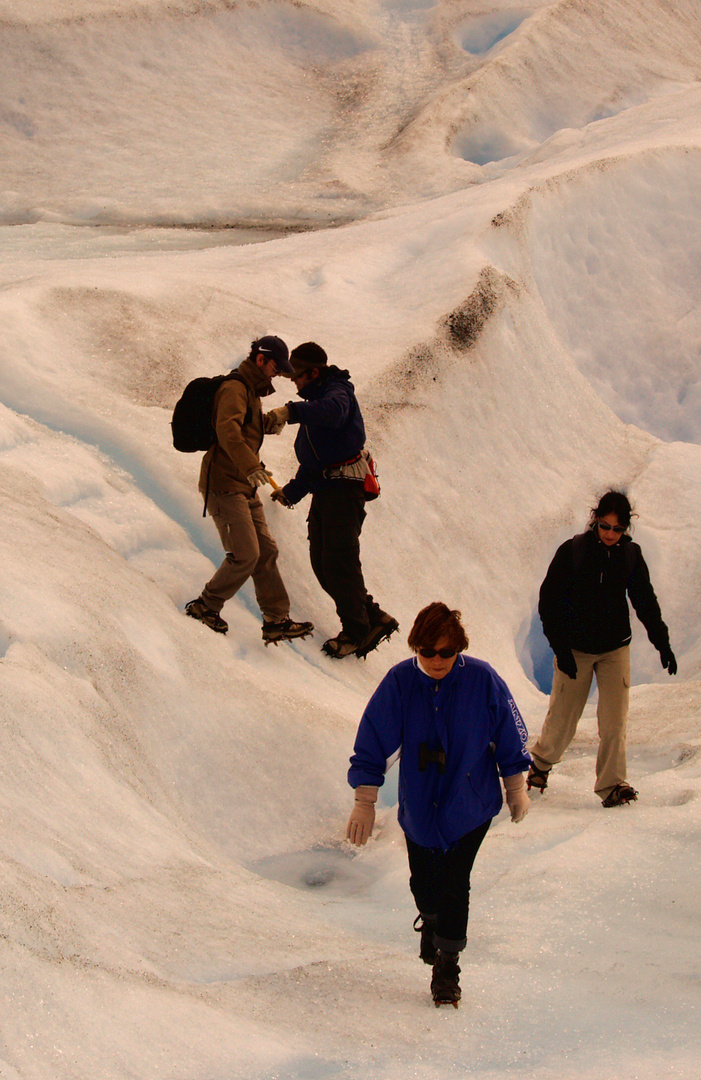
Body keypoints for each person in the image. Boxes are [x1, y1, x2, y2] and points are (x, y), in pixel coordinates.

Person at [345, 602, 530, 1007]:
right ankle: (430, 922)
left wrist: (515, 784)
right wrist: (365, 799)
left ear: (459, 648)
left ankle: (447, 967)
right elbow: (373, 737)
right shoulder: (400, 683)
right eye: (427, 652)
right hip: (421, 809)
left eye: (446, 652)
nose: (437, 660)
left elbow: (510, 731)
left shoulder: (483, 680)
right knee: (424, 885)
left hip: (470, 805)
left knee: (454, 885)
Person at [528, 489, 675, 807]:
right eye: (605, 526)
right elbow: (549, 601)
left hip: (614, 650)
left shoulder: (630, 556)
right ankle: (540, 765)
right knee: (563, 718)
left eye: (617, 529)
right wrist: (561, 649)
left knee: (614, 721)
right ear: (595, 521)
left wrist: (661, 643)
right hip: (576, 649)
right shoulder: (573, 552)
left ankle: (612, 785)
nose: (610, 534)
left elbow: (644, 601)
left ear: (626, 529)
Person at [268, 342, 396, 658]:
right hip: (329, 489)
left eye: (298, 375)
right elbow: (314, 464)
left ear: (314, 372)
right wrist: (291, 492)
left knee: (338, 560)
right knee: (323, 562)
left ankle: (357, 632)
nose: (294, 382)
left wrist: (291, 412)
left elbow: (335, 413)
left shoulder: (337, 393)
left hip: (344, 490)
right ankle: (372, 617)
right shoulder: (317, 403)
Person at [184, 336, 313, 645]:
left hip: (243, 485)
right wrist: (250, 466)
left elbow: (249, 425)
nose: (276, 374)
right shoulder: (235, 388)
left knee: (266, 552)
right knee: (246, 555)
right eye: (275, 367)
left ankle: (276, 620)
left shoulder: (250, 392)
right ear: (260, 360)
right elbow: (227, 431)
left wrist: (277, 418)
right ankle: (205, 606)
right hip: (224, 486)